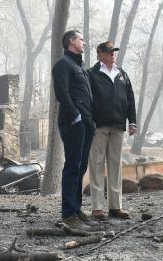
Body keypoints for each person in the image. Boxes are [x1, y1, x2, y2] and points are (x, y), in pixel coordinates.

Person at [52, 29, 99, 231]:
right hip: (73, 122)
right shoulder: (63, 65)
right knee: (72, 167)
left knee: (80, 168)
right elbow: (62, 93)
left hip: (86, 122)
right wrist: (76, 117)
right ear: (71, 42)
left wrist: (89, 119)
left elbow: (85, 95)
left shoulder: (78, 66)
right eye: (82, 39)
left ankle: (77, 209)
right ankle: (68, 215)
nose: (84, 43)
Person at [87, 41, 137, 220]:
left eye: (113, 52)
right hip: (98, 125)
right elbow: (87, 100)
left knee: (116, 165)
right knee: (97, 165)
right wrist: (90, 121)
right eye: (108, 52)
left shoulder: (122, 74)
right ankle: (97, 207)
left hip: (118, 126)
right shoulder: (91, 74)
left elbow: (130, 99)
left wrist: (132, 122)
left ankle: (116, 206)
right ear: (99, 54)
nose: (112, 55)